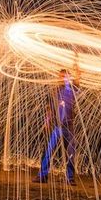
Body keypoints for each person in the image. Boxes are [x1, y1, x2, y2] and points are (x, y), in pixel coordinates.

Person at [33, 52, 81, 185]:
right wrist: (47, 121)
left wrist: (76, 60)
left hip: (69, 127)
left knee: (70, 153)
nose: (61, 79)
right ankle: (42, 176)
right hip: (57, 127)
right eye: (60, 77)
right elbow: (50, 107)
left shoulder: (72, 89)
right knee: (48, 151)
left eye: (64, 76)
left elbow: (78, 76)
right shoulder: (55, 91)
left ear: (68, 78)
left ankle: (70, 178)